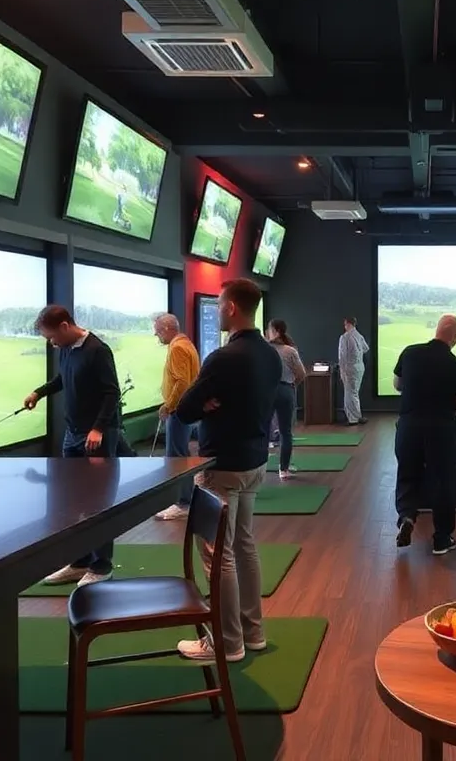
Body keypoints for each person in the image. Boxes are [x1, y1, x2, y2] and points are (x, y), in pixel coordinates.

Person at [174, 278, 281, 662]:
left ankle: (226, 643)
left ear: (232, 308)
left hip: (223, 465)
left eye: (219, 304)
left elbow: (185, 409)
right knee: (245, 545)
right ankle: (253, 635)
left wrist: (205, 406)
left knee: (219, 554)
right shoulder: (271, 355)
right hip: (255, 462)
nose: (217, 310)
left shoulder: (223, 358)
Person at [23, 305, 122, 588]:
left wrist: (98, 428)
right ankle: (79, 562)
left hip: (97, 435)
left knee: (98, 503)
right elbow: (62, 380)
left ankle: (102, 566)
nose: (51, 342)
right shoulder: (65, 349)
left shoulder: (97, 350)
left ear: (65, 326)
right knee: (73, 501)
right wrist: (38, 393)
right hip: (73, 434)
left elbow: (111, 392)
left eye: (52, 336)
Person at [393, 314, 456, 555]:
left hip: (408, 426)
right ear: (455, 338)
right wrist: (454, 399)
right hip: (441, 430)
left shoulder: (410, 352)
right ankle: (442, 539)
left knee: (407, 474)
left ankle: (407, 517)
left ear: (437, 330)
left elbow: (398, 384)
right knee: (443, 481)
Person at [153, 313, 201, 521]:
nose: (157, 336)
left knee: (176, 458)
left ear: (166, 329)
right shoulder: (186, 344)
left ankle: (183, 503)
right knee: (180, 455)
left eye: (157, 332)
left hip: (179, 411)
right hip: (186, 409)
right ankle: (186, 499)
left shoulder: (178, 347)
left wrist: (168, 405)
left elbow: (181, 382)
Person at [266, 318, 307, 479]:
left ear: (274, 330)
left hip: (267, 391)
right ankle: (283, 470)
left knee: (263, 430)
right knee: (285, 432)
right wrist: (291, 386)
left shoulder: (264, 350)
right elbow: (301, 374)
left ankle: (258, 470)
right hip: (285, 389)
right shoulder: (290, 350)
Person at [338, 316, 369, 425]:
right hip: (359, 367)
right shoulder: (359, 336)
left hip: (349, 368)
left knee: (349, 393)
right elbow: (366, 348)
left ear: (347, 323)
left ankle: (353, 418)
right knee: (354, 392)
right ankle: (356, 415)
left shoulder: (345, 337)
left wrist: (342, 370)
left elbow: (342, 356)